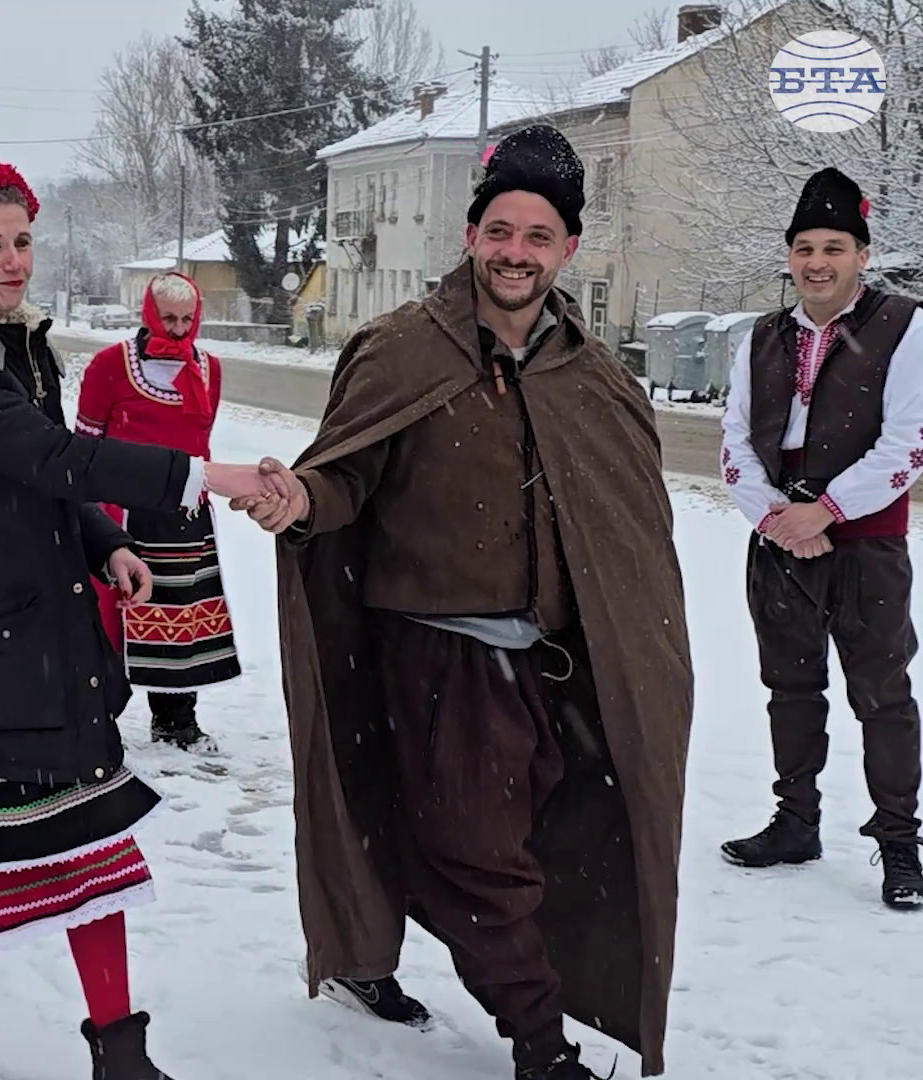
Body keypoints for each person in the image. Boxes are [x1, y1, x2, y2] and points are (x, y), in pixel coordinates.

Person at [234, 125, 692, 1079]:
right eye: (499, 229)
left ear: (567, 248)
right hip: (440, 659)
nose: (515, 252)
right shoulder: (403, 350)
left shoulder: (597, 377)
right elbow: (343, 479)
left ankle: (396, 938)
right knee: (480, 855)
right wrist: (300, 499)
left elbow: (633, 525)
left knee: (546, 846)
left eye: (537, 235)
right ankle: (539, 1042)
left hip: (561, 664)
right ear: (470, 232)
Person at [0, 157, 279, 1080]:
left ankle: (119, 1048)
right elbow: (47, 453)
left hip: (40, 628)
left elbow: (42, 475)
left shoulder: (16, 342)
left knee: (89, 837)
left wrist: (102, 545)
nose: (15, 261)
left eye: (24, 242)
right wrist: (209, 477)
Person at [718, 166, 923, 910]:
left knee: (883, 694)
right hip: (779, 540)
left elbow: (908, 440)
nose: (817, 262)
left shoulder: (905, 324)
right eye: (804, 246)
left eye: (834, 246)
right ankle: (795, 821)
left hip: (866, 544)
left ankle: (901, 843)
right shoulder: (760, 338)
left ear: (862, 254)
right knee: (791, 688)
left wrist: (828, 511)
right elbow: (734, 440)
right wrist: (776, 516)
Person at [76, 272, 241, 752]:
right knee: (115, 620)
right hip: (124, 513)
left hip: (184, 511)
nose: (177, 328)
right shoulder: (111, 365)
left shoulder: (208, 369)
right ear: (148, 315)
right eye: (167, 318)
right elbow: (85, 444)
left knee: (180, 616)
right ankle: (98, 719)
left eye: (187, 319)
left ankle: (175, 719)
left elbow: (200, 444)